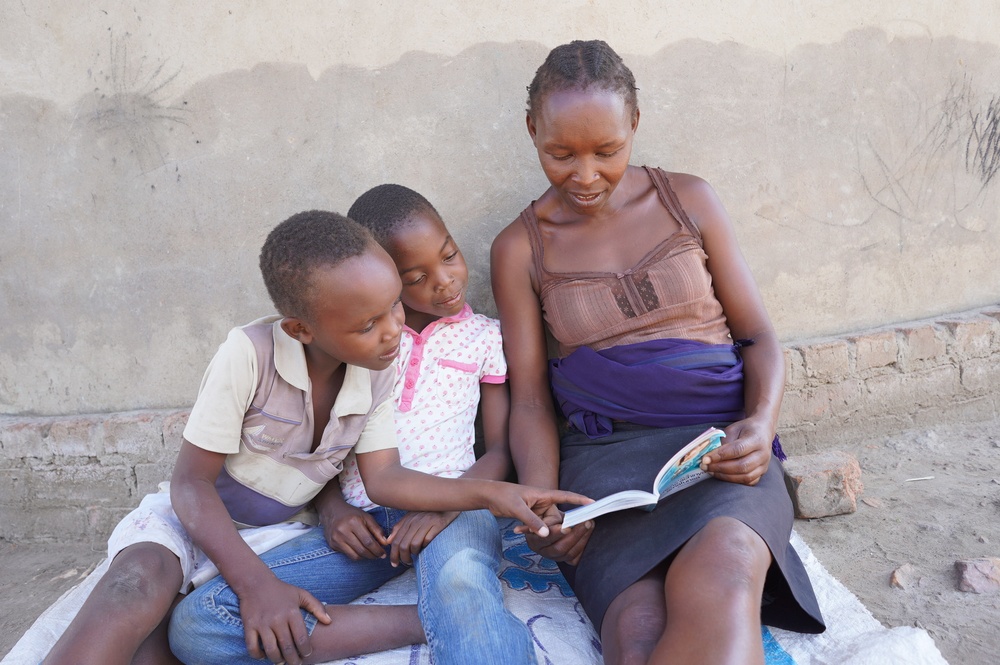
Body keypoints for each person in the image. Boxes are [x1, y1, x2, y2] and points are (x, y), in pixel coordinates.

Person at [490, 40, 826, 665]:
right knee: (636, 630)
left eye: (607, 151)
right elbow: (531, 397)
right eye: (559, 154)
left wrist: (759, 424)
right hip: (605, 470)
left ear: (635, 124)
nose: (584, 175)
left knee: (722, 581)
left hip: (717, 451)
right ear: (532, 129)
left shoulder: (689, 201)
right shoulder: (520, 248)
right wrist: (544, 503)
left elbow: (759, 336)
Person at [167, 209, 584, 665]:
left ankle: (460, 615)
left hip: (453, 505)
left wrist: (489, 496)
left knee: (461, 583)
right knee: (199, 624)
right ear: (301, 329)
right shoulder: (274, 356)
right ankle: (440, 618)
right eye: (369, 325)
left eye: (394, 307)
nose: (392, 334)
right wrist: (261, 587)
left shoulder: (382, 360)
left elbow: (390, 473)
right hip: (371, 528)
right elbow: (377, 482)